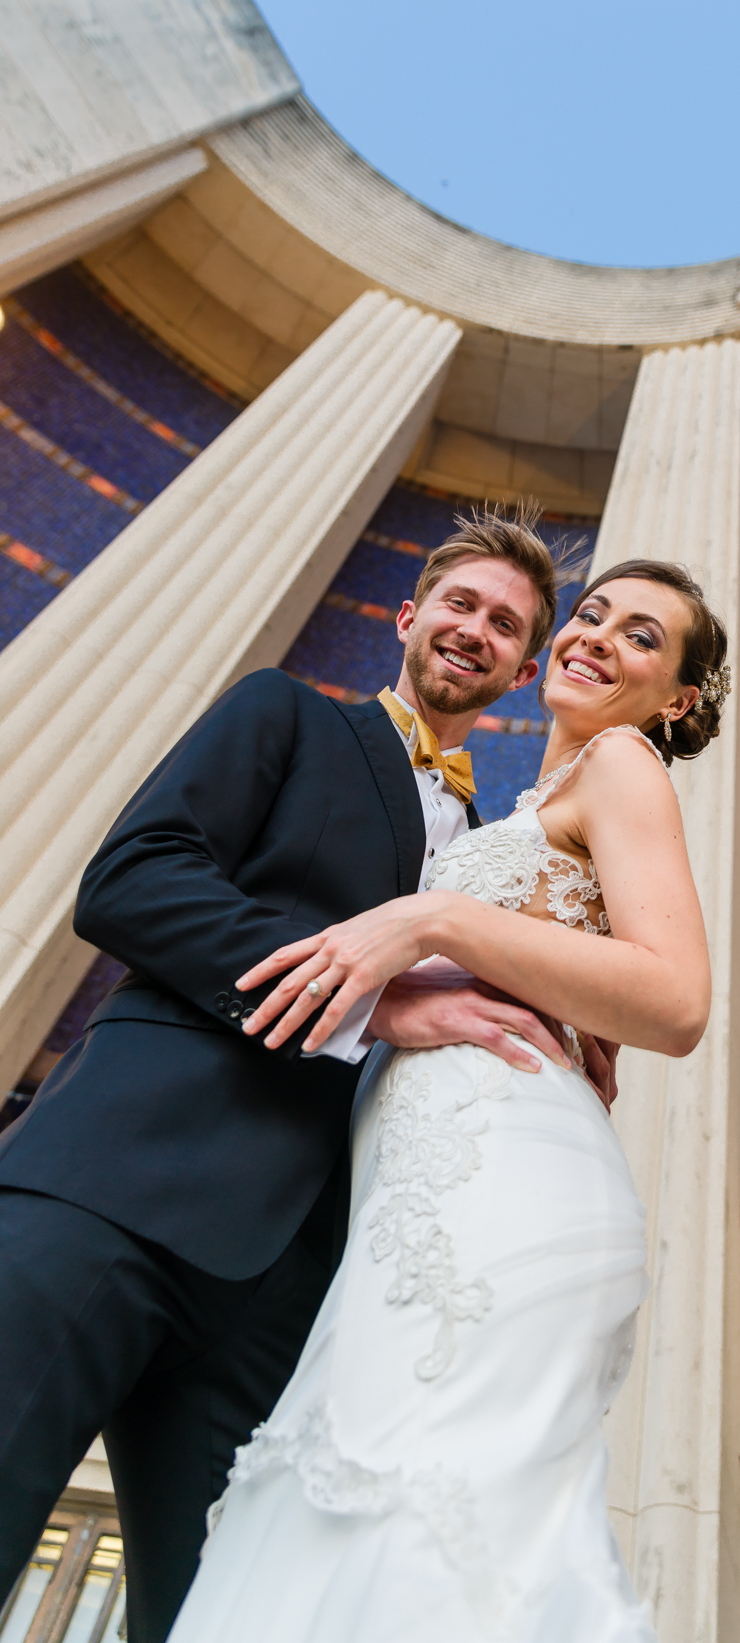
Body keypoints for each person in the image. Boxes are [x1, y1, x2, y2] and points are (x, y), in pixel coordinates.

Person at [0, 508, 591, 1643]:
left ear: (522, 668)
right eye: (461, 604)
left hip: (283, 1290)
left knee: (230, 1615)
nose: (477, 630)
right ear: (409, 616)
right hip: (113, 1186)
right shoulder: (286, 711)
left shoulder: (488, 842)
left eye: (506, 623)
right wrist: (372, 996)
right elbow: (132, 878)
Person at [166, 558, 730, 1643]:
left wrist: (434, 925)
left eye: (642, 638)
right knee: (379, 1487)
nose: (597, 637)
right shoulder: (528, 805)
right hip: (422, 1190)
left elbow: (676, 1000)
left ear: (678, 702)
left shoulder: (619, 761)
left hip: (495, 1184)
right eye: (592, 613)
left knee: (427, 1499)